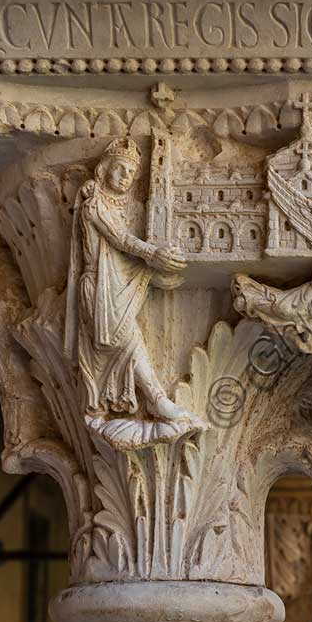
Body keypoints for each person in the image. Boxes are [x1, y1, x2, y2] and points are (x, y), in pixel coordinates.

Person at [64, 137, 202, 439]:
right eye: (121, 168)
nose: (126, 176)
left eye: (131, 172)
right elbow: (120, 240)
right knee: (124, 339)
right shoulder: (94, 204)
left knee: (128, 338)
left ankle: (152, 400)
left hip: (114, 284)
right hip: (99, 287)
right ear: (102, 170)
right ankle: (154, 400)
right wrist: (153, 254)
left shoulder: (122, 205)